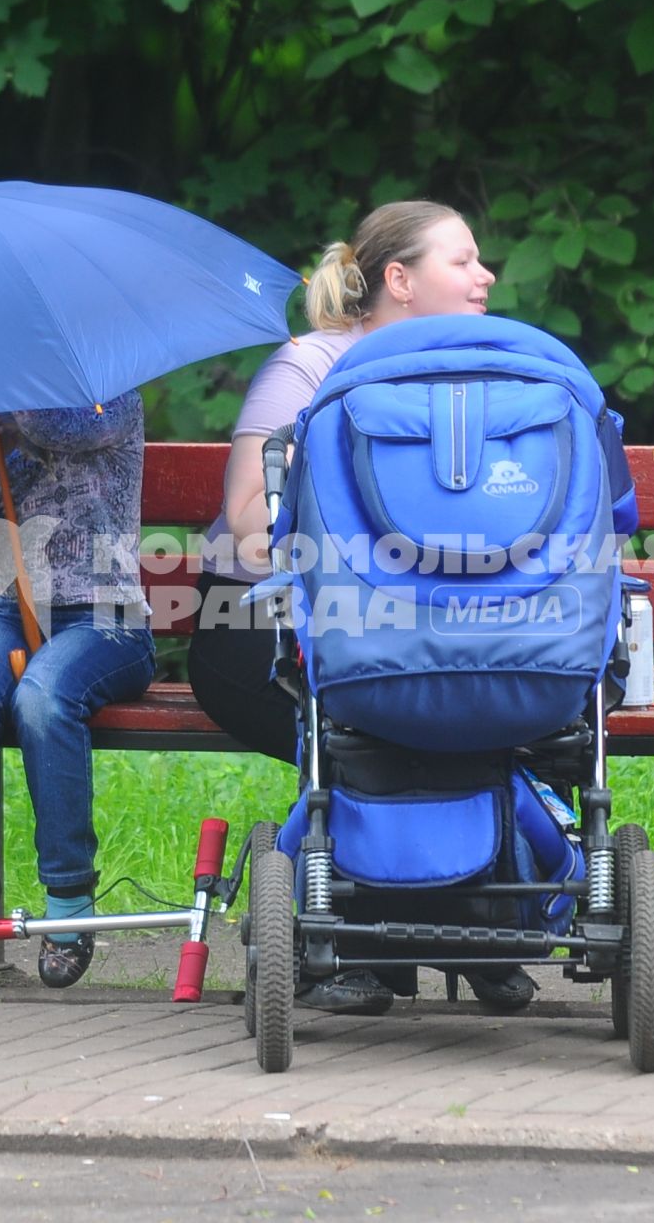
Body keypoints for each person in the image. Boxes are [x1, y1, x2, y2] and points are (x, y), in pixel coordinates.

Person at [187, 200, 535, 1016]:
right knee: (376, 707)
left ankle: (424, 928)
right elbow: (245, 529)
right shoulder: (311, 366)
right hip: (257, 622)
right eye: (464, 260)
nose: (486, 276)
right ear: (400, 280)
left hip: (405, 625)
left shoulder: (481, 373)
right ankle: (407, 929)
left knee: (443, 690)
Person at [0, 394, 155, 990]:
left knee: (42, 698)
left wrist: (6, 403)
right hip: (10, 608)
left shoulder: (110, 397)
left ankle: (69, 900)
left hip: (108, 616)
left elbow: (66, 429)